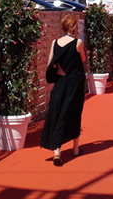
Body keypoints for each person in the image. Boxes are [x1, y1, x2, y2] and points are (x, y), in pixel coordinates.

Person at [40, 14, 86, 166]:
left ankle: (57, 151)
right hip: (74, 84)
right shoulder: (78, 43)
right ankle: (75, 148)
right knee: (74, 113)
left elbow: (50, 63)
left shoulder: (55, 43)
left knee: (58, 113)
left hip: (60, 83)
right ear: (73, 27)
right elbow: (83, 60)